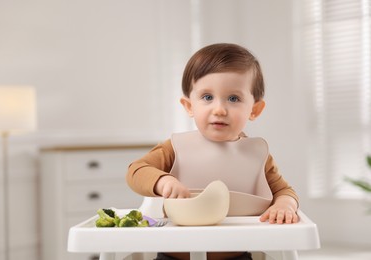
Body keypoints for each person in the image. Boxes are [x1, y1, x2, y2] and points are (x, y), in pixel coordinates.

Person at [126, 43, 299, 260]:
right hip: (174, 257)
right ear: (189, 106)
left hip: (236, 257)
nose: (219, 109)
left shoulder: (257, 155)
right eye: (207, 97)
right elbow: (136, 170)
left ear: (254, 109)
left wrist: (284, 205)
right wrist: (163, 182)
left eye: (234, 98)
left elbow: (285, 191)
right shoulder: (176, 148)